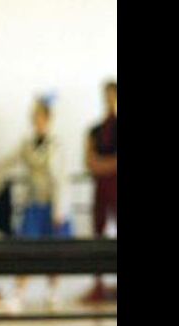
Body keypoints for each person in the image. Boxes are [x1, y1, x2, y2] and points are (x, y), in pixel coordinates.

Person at [0, 98, 71, 311]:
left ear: (48, 119)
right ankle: (19, 294)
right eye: (35, 118)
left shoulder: (57, 145)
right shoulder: (27, 144)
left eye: (41, 117)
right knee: (26, 247)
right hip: (34, 204)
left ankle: (53, 293)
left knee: (55, 251)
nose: (38, 122)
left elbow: (61, 180)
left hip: (53, 205)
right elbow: (9, 161)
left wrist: (59, 210)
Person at [83, 80, 117, 302]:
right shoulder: (95, 130)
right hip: (101, 189)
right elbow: (89, 161)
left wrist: (102, 165)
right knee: (98, 233)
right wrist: (107, 165)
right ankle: (98, 284)